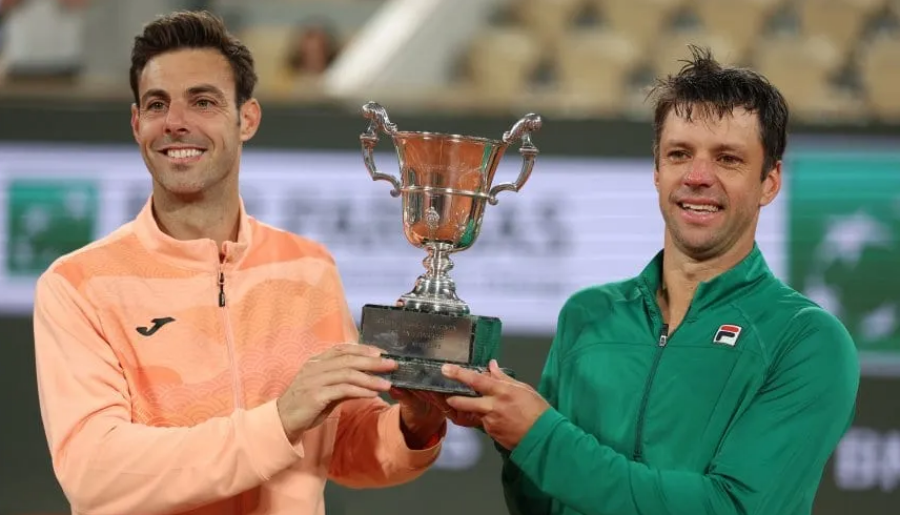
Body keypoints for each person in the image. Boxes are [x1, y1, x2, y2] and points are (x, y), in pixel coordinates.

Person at [32, 10, 446, 515]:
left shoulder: (309, 266)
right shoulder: (78, 285)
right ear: (137, 124)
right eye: (158, 104)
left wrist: (414, 425)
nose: (176, 122)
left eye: (203, 101)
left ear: (246, 119)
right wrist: (279, 420)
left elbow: (340, 444)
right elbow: (95, 472)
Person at [438, 46, 861, 515]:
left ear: (770, 181)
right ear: (657, 171)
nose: (698, 176)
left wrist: (541, 435)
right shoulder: (588, 315)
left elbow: (733, 508)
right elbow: (543, 506)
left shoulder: (807, 340)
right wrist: (507, 427)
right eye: (679, 154)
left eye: (727, 159)